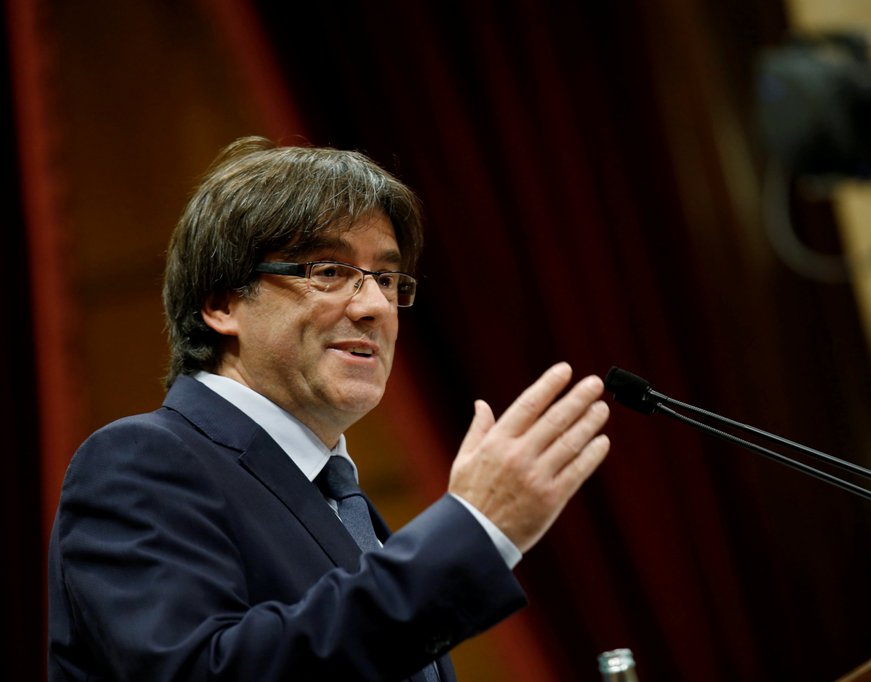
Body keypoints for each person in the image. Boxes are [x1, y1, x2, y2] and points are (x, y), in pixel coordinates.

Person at [47, 136, 611, 681]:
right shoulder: (139, 461)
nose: (373, 307)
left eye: (387, 279)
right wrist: (476, 530)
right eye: (328, 271)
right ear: (221, 303)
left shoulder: (345, 503)